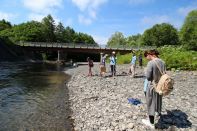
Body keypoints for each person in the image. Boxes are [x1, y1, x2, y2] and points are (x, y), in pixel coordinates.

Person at [142, 49, 165, 129]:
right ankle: (157, 114)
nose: (146, 58)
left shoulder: (151, 63)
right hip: (160, 86)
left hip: (152, 86)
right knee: (158, 101)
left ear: (150, 54)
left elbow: (148, 77)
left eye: (146, 56)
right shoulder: (162, 62)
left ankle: (151, 123)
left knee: (151, 103)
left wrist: (145, 71)